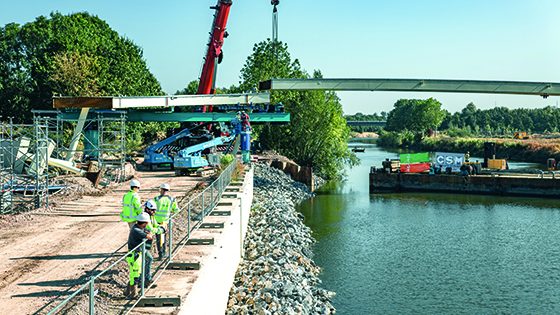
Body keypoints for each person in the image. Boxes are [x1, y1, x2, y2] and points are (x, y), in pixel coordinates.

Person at [124, 212, 156, 298]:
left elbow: (149, 233)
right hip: (134, 255)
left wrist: (149, 233)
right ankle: (134, 294)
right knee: (136, 274)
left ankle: (128, 292)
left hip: (137, 254)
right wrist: (149, 234)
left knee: (135, 273)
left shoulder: (137, 228)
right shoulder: (136, 230)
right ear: (144, 223)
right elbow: (149, 236)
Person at [153, 184, 179, 260]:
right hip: (165, 222)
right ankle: (163, 252)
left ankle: (161, 254)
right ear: (168, 191)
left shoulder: (156, 199)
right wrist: (171, 210)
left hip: (157, 222)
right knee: (164, 237)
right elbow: (176, 210)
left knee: (159, 239)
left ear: (161, 190)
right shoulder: (172, 200)